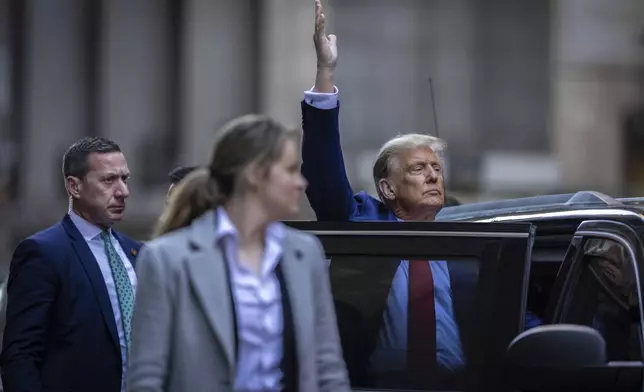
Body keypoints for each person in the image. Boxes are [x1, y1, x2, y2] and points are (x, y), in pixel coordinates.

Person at [301, 1, 539, 388]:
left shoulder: (476, 241)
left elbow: (516, 317)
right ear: (387, 188)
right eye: (417, 169)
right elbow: (322, 173)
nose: (432, 175)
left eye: (436, 169)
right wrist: (325, 72)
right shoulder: (361, 221)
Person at [126, 114, 351, 392]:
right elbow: (146, 379)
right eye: (291, 170)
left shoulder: (305, 254)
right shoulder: (167, 260)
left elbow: (328, 370)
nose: (301, 183)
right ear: (255, 174)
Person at [1, 137, 142, 392]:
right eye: (109, 180)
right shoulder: (43, 253)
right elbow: (20, 355)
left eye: (125, 179)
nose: (123, 191)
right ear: (74, 186)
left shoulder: (138, 253)